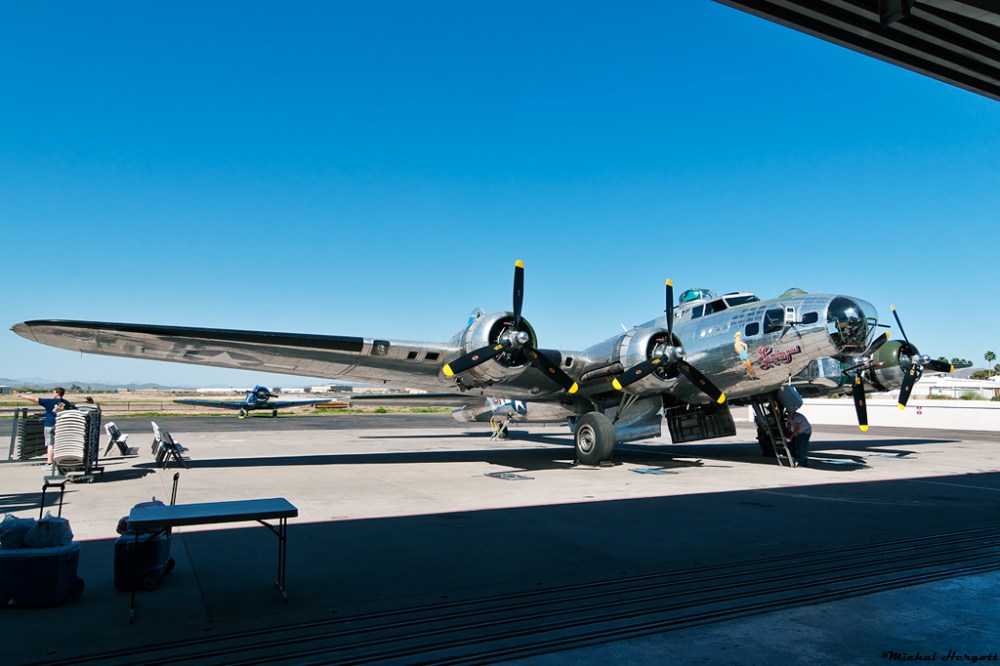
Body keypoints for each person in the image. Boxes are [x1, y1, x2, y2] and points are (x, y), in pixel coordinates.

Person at [12, 387, 75, 464]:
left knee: (50, 444)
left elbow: (33, 399)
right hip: (60, 425)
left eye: (54, 392)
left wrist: (20, 395)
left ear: (57, 393)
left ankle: (50, 462)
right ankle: (60, 461)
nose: (53, 394)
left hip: (50, 424)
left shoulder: (49, 402)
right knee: (59, 443)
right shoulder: (66, 403)